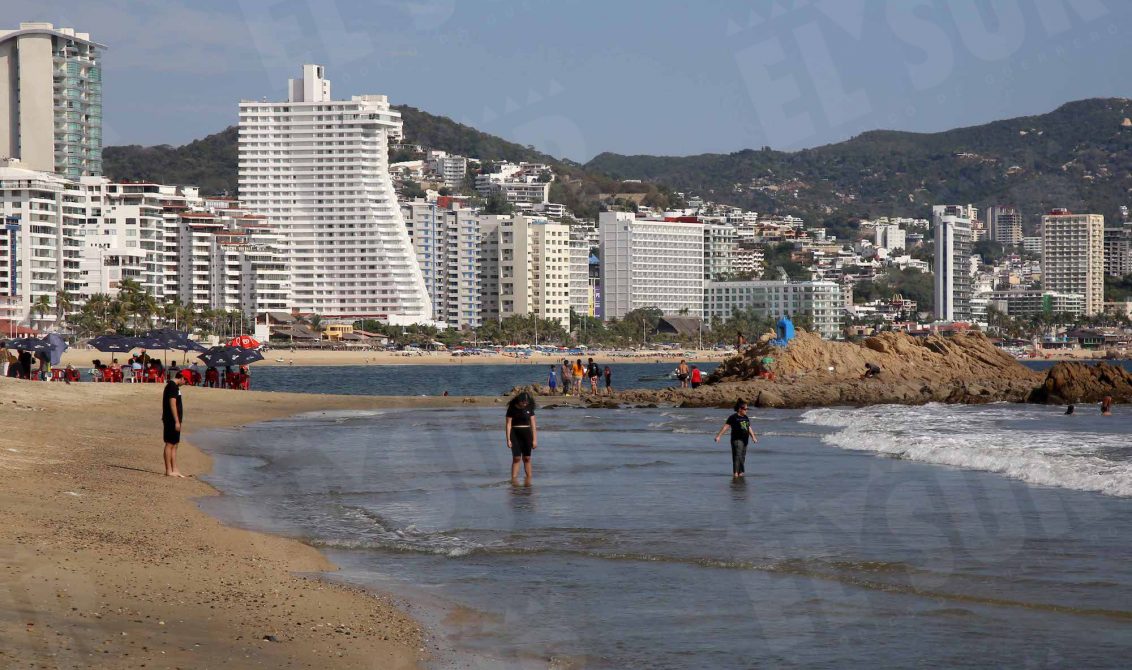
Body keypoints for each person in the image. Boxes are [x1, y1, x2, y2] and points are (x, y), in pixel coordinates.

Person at [714, 399, 758, 478]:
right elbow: (726, 427)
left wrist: (753, 437)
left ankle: (740, 472)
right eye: (745, 409)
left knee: (742, 456)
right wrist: (719, 436)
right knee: (737, 456)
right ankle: (735, 473)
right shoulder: (733, 417)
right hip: (737, 439)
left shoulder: (746, 417)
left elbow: (749, 427)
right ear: (740, 409)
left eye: (747, 409)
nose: (746, 410)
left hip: (745, 440)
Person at [505, 391, 538, 484]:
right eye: (523, 402)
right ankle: (514, 481)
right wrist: (508, 439)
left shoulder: (529, 408)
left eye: (526, 402)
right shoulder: (511, 408)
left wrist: (535, 439)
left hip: (527, 434)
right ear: (519, 401)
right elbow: (508, 424)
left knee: (527, 458)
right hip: (514, 434)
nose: (525, 404)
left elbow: (533, 425)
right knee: (516, 458)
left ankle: (528, 480)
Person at [162, 372, 188, 478]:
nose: (185, 383)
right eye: (185, 380)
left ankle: (175, 469)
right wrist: (176, 421)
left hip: (175, 419)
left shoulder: (175, 387)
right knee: (170, 444)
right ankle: (168, 470)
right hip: (171, 419)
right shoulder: (172, 386)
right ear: (182, 378)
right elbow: (172, 404)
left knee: (175, 444)